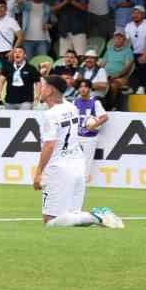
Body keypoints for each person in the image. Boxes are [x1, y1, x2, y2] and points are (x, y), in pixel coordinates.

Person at [34, 76, 124, 228]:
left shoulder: (50, 115)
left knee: (50, 221)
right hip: (77, 165)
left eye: (42, 86)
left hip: (59, 168)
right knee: (73, 216)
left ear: (49, 90)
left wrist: (38, 172)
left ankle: (97, 216)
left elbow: (49, 145)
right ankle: (100, 217)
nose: (40, 89)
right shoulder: (72, 107)